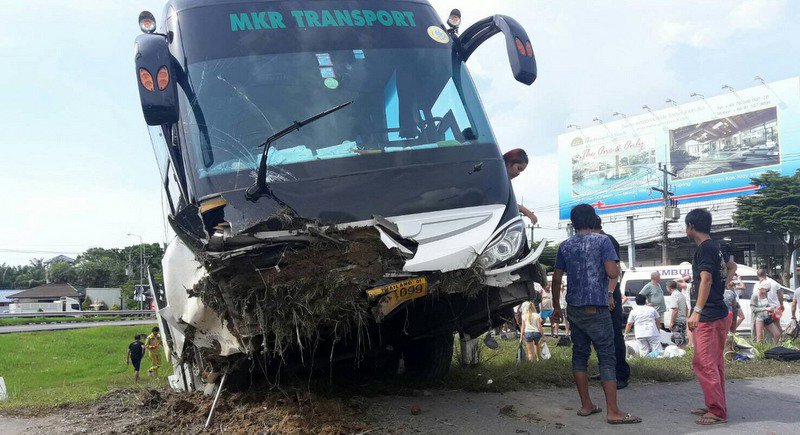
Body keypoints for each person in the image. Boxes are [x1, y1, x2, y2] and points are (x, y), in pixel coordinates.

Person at [552, 204, 640, 425]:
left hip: (574, 308)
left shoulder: (565, 245)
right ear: (594, 220)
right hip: (596, 308)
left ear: (573, 223)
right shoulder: (603, 241)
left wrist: (555, 307)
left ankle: (586, 405)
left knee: (579, 356)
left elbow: (555, 278)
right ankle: (613, 411)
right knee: (607, 358)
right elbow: (612, 272)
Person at [685, 208, 736, 426]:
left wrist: (696, 310)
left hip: (708, 315)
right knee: (714, 363)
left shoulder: (704, 249)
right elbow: (731, 266)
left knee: (704, 362)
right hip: (719, 311)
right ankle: (715, 404)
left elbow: (705, 279)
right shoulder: (716, 247)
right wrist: (722, 285)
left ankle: (716, 410)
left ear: (690, 227)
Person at [591, 216, 630, 389]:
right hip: (599, 294)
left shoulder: (608, 240)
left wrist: (610, 294)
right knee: (601, 336)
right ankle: (607, 370)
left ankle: (621, 374)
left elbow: (616, 270)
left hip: (609, 294)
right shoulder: (596, 241)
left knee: (614, 335)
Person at [503, 149, 538, 225]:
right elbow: (502, 202)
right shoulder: (495, 180)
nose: (518, 173)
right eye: (518, 168)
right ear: (509, 162)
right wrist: (524, 210)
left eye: (520, 171)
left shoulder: (505, 183)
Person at [757, 269, 783, 336]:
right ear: (766, 274)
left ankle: (771, 341)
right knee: (777, 324)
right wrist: (782, 304)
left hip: (766, 307)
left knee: (767, 326)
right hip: (776, 307)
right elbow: (780, 294)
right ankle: (780, 340)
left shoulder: (759, 284)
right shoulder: (774, 283)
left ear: (758, 275)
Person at [666, 281, 688, 349]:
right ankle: (683, 354)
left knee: (678, 341)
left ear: (669, 288)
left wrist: (672, 322)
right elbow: (687, 308)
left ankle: (680, 356)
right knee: (682, 340)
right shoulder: (681, 294)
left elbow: (675, 310)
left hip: (677, 322)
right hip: (683, 320)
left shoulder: (674, 295)